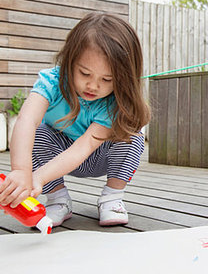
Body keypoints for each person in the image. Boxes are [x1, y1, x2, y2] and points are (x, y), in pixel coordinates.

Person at [0, 13, 151, 227]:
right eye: (84, 73)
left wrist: (37, 178)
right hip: (59, 155)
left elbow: (83, 148)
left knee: (132, 136)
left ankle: (112, 198)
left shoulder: (115, 103)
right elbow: (26, 120)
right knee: (41, 133)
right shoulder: (51, 82)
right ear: (70, 60)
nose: (93, 86)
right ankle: (58, 200)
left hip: (99, 155)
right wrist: (21, 171)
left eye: (107, 79)